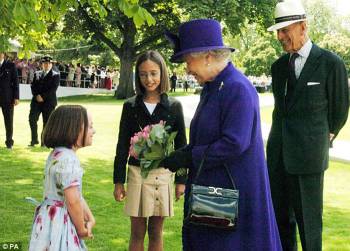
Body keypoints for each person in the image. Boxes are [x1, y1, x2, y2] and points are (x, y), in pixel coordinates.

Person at [163, 19, 282, 251]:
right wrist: (182, 153)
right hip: (213, 194)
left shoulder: (237, 87)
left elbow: (234, 143)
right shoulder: (214, 87)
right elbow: (205, 138)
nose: (186, 68)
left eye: (188, 60)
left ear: (207, 56)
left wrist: (190, 157)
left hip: (233, 195)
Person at [266, 1, 349, 251]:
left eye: (285, 30)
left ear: (303, 27)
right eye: (278, 31)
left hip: (309, 160)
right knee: (281, 225)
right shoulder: (278, 67)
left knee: (310, 227)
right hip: (277, 159)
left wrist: (322, 139)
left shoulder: (330, 63)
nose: (280, 36)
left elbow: (339, 110)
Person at [113, 50, 187, 251]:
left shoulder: (174, 106)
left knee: (156, 231)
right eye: (143, 74)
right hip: (137, 174)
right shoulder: (130, 106)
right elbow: (122, 145)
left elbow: (182, 146)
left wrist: (181, 181)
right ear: (137, 76)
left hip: (163, 176)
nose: (149, 79)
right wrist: (118, 181)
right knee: (137, 232)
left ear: (162, 73)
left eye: (154, 73)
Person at [28, 105, 96, 251]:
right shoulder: (69, 160)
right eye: (90, 127)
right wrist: (80, 229)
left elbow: (76, 195)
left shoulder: (57, 154)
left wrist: (90, 217)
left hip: (48, 218)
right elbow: (72, 200)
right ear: (75, 130)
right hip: (60, 221)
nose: (94, 131)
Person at [29, 55, 60, 147]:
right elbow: (33, 86)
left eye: (48, 63)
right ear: (42, 64)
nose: (46, 65)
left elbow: (53, 89)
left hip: (49, 102)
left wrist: (43, 96)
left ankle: (44, 142)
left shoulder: (55, 75)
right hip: (36, 101)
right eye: (45, 63)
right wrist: (36, 95)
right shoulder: (37, 73)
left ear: (51, 64)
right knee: (32, 119)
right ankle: (34, 140)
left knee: (46, 122)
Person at [0, 52, 19, 149]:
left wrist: (16, 97)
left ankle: (9, 142)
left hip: (7, 98)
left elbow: (15, 82)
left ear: (3, 54)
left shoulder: (10, 65)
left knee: (8, 121)